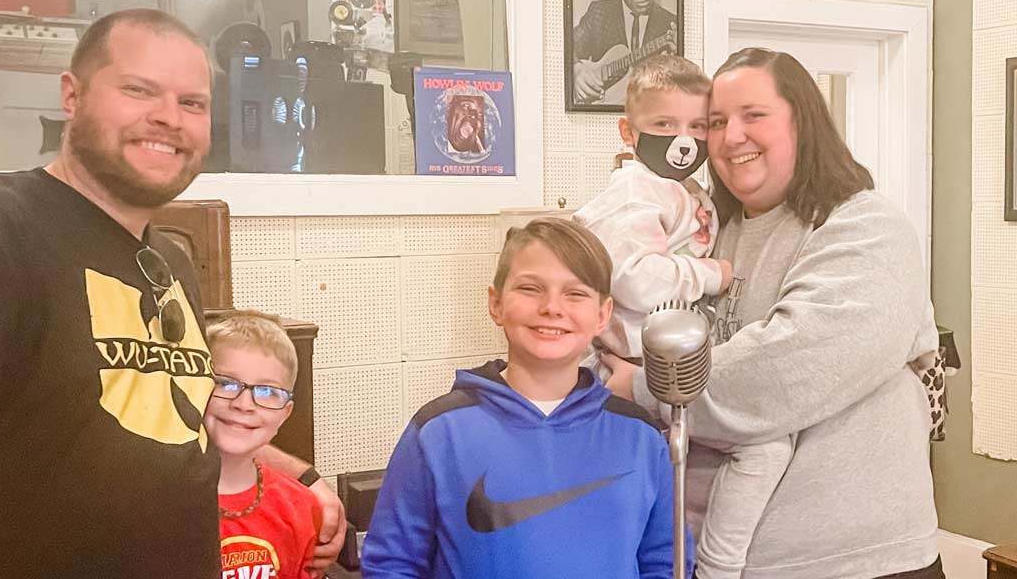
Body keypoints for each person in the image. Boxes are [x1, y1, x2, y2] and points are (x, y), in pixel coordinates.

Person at [0, 8, 343, 579]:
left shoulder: (171, 262)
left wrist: (300, 478)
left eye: (192, 103)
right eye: (139, 90)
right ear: (72, 95)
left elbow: (170, 430)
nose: (168, 118)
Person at [609, 47, 944, 579]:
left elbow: (785, 371)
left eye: (753, 116)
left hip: (853, 565)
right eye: (715, 122)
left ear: (803, 123)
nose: (731, 135)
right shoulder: (707, 235)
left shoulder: (865, 226)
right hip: (699, 555)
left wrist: (644, 387)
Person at [360, 217, 689, 578]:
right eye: (530, 288)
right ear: (496, 303)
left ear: (602, 315)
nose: (552, 307)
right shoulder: (439, 431)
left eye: (575, 293)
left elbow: (666, 562)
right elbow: (392, 564)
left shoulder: (640, 436)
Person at [574, 53, 792, 579]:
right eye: (665, 125)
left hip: (670, 362)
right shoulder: (632, 190)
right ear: (630, 131)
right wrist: (712, 276)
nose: (684, 138)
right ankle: (714, 567)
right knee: (760, 447)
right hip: (628, 362)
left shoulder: (686, 190)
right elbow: (634, 278)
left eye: (698, 125)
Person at [206, 311, 322, 579]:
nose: (243, 404)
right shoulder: (160, 500)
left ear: (285, 413)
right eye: (225, 383)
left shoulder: (300, 506)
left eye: (268, 391)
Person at [571, 0, 678, 106]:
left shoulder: (672, 24)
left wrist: (679, 54)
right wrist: (575, 70)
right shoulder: (599, 13)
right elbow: (567, 46)